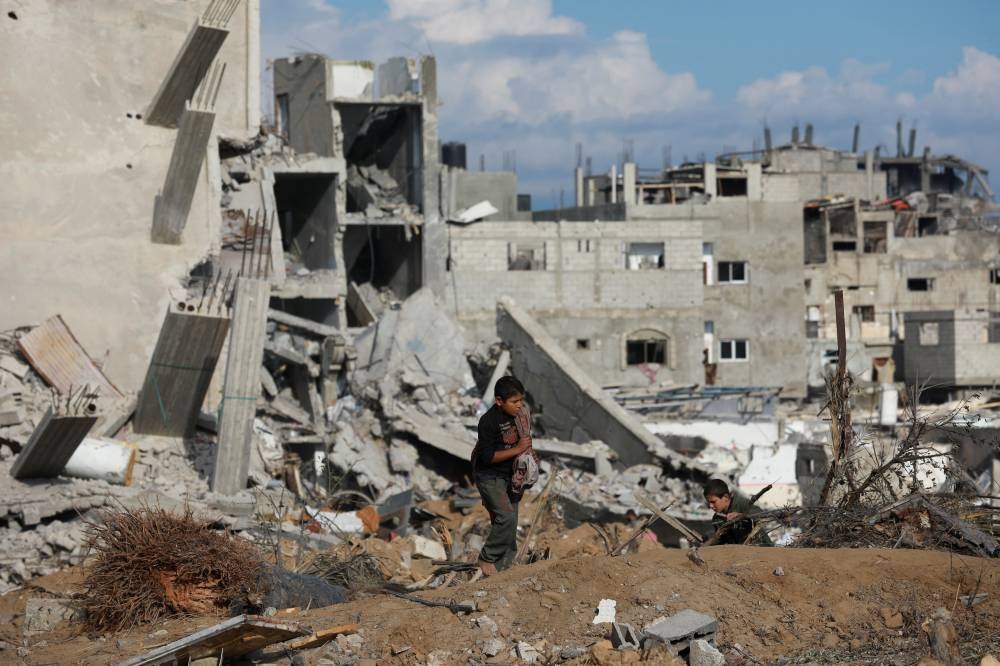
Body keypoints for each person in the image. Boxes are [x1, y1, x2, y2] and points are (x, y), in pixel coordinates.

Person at [472, 376, 533, 576]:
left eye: (521, 401)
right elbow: (488, 457)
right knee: (505, 517)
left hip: (511, 476)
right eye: (514, 402)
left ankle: (504, 569)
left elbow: (525, 442)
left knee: (512, 522)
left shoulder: (520, 416)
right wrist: (517, 449)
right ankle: (487, 557)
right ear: (499, 401)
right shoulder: (488, 422)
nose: (519, 406)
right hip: (490, 477)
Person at [703, 478, 772, 546]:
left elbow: (763, 515)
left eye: (713, 502)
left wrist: (741, 516)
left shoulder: (741, 504)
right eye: (708, 503)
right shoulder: (717, 519)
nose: (710, 506)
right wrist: (717, 536)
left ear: (726, 497)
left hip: (762, 548)